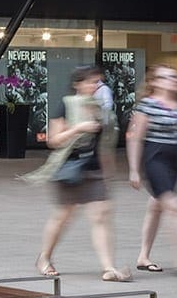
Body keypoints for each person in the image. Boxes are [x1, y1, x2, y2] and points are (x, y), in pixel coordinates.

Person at [25, 66, 129, 281]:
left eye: (97, 82)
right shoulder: (65, 105)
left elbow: (105, 144)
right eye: (90, 82)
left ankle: (109, 268)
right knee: (63, 217)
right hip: (69, 167)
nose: (94, 86)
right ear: (77, 84)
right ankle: (44, 258)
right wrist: (78, 128)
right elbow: (53, 140)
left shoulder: (102, 109)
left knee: (101, 216)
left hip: (94, 169)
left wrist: (109, 173)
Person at [127, 64, 177, 274]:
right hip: (155, 159)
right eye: (166, 77)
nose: (172, 80)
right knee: (173, 206)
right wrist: (134, 170)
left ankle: (143, 256)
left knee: (156, 206)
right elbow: (135, 138)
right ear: (154, 81)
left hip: (174, 160)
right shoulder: (147, 105)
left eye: (174, 77)